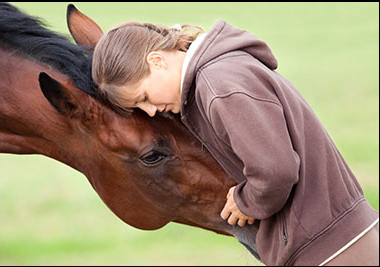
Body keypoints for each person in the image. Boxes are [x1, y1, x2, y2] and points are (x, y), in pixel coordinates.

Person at [91, 20, 379, 265]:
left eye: (143, 97)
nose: (151, 111)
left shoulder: (218, 87)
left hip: (329, 250)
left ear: (157, 60)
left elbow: (276, 171)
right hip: (339, 240)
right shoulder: (221, 73)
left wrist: (246, 202)